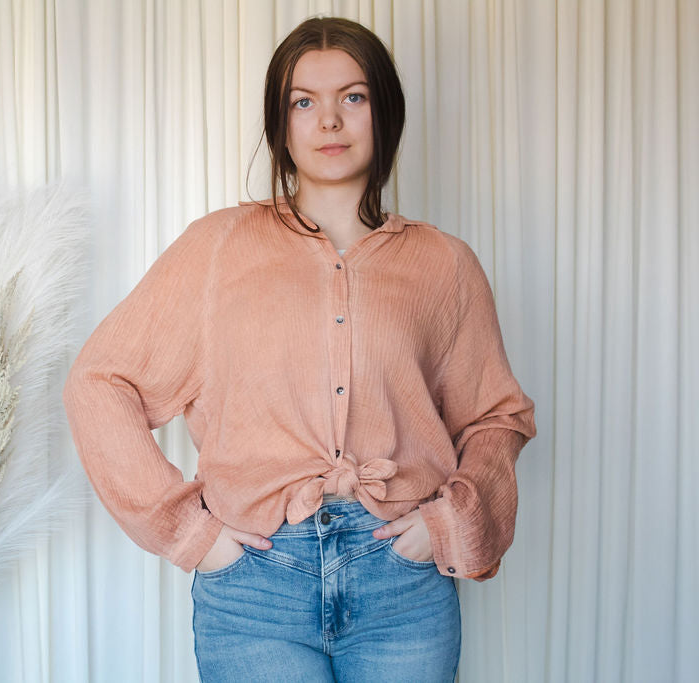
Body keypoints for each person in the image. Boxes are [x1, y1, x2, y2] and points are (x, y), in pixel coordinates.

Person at [63, 16, 536, 683]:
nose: (330, 121)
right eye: (303, 102)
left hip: (401, 586)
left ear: (384, 112)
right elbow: (99, 380)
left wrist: (448, 523)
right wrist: (191, 534)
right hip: (255, 588)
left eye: (353, 97)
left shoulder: (445, 265)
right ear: (281, 124)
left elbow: (497, 416)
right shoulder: (217, 248)